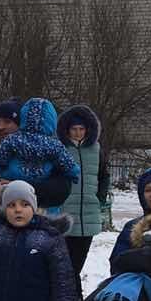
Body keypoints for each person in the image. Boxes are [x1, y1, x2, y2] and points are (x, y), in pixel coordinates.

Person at [0, 100, 72, 213]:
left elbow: (62, 189)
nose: (1, 127)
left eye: (7, 121)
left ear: (23, 124)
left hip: (44, 221)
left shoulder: (50, 154)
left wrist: (21, 190)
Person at [57, 104, 106, 290]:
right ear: (67, 130)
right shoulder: (60, 149)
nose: (78, 133)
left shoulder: (96, 149)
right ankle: (72, 300)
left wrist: (99, 198)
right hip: (67, 214)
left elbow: (104, 175)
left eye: (81, 129)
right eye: (74, 129)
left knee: (77, 265)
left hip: (89, 215)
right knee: (66, 267)